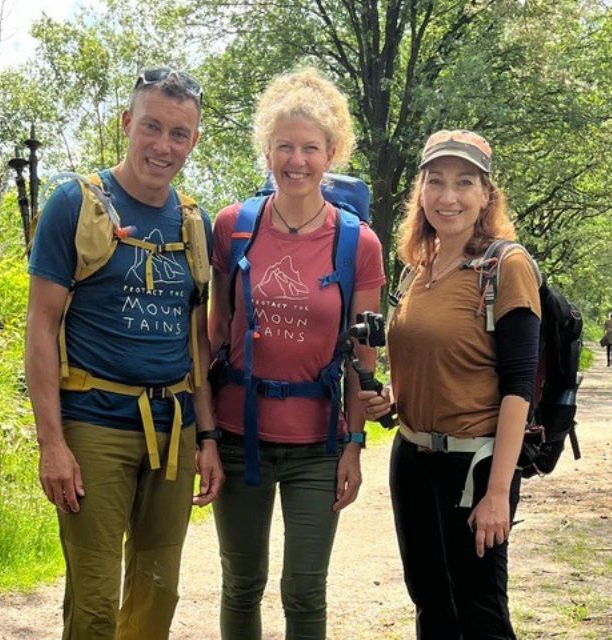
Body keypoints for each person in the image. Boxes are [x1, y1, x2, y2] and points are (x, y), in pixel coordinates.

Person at [24, 67, 224, 640]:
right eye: (152, 127)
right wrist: (52, 444)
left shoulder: (193, 222)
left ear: (194, 139)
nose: (163, 146)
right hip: (93, 426)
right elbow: (41, 327)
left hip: (174, 428)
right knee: (93, 602)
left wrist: (206, 437)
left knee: (157, 594)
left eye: (179, 134)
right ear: (126, 123)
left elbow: (197, 339)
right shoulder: (75, 203)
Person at [207, 67, 386, 640]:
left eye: (310, 147)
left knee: (305, 592)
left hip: (318, 445)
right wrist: (204, 437)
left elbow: (364, 355)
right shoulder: (234, 228)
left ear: (331, 152)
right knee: (241, 583)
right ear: (267, 149)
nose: (297, 160)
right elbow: (214, 335)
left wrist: (355, 445)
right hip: (239, 437)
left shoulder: (357, 242)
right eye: (284, 146)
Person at [360, 129, 540, 640]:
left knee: (480, 613)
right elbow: (432, 362)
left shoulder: (507, 266)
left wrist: (498, 494)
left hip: (475, 466)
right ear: (420, 193)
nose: (448, 196)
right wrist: (394, 400)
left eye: (464, 182)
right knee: (430, 605)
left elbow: (518, 389)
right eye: (435, 181)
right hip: (412, 458)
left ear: (486, 195)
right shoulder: (416, 270)